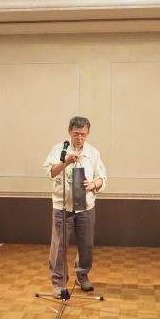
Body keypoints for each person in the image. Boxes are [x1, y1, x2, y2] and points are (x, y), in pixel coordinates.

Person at [44, 117, 107, 298]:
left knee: (86, 244)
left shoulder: (93, 153)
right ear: (69, 131)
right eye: (76, 134)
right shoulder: (59, 150)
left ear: (88, 133)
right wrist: (66, 161)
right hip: (62, 206)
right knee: (59, 246)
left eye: (83, 134)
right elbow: (50, 172)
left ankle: (82, 275)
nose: (80, 138)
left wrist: (93, 184)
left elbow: (102, 177)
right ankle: (58, 283)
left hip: (86, 206)